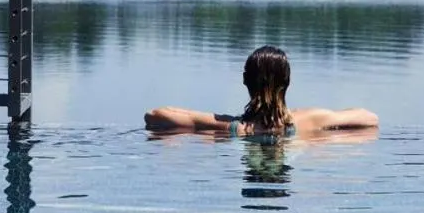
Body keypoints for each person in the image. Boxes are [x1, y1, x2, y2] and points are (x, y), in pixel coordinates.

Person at [143, 44, 379, 136]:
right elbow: (369, 118)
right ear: (287, 83)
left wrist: (217, 123)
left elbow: (154, 115)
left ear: (246, 81)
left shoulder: (231, 127)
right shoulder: (309, 120)